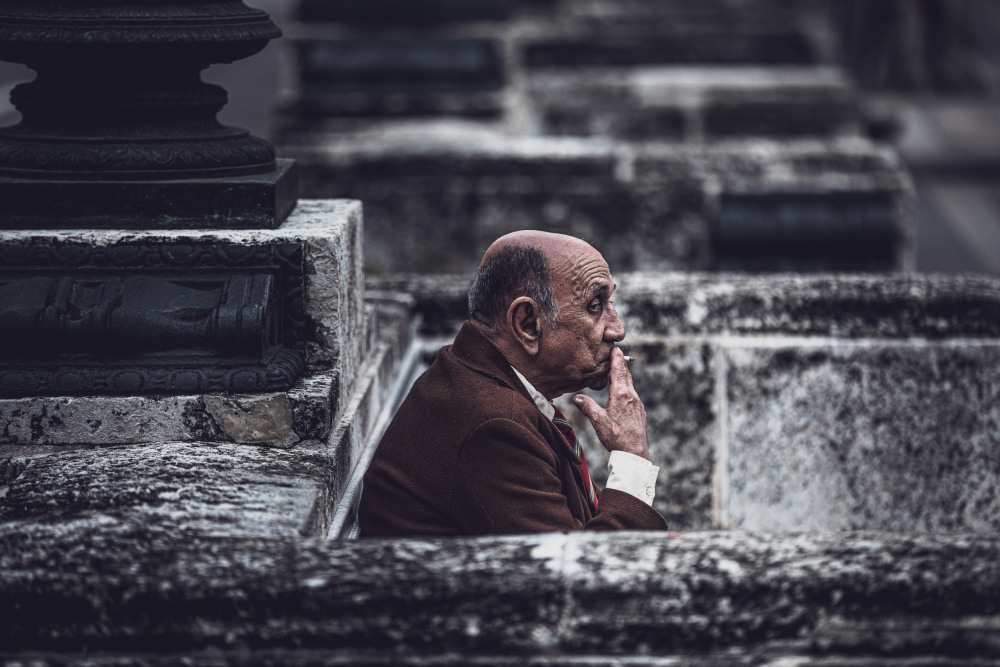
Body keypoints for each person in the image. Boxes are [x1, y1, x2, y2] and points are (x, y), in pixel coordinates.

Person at [359, 231, 668, 536]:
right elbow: (584, 577)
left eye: (609, 302)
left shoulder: (478, 376)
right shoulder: (493, 426)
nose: (617, 330)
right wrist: (631, 453)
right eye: (595, 306)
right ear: (528, 324)